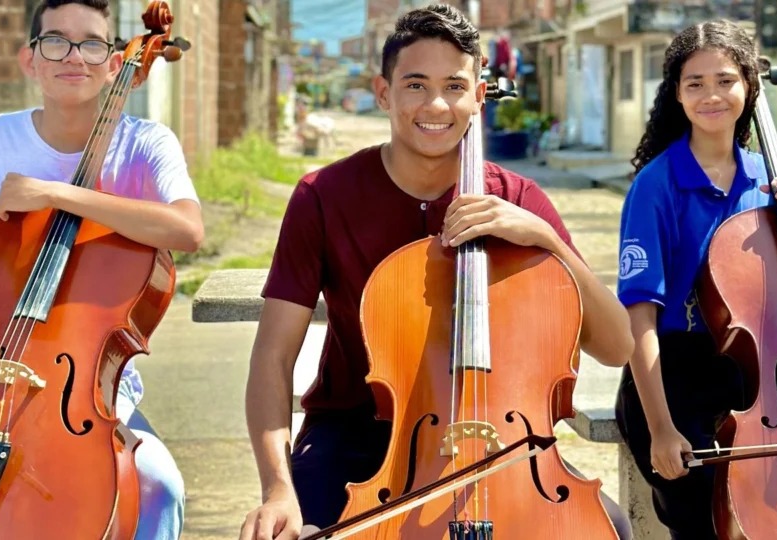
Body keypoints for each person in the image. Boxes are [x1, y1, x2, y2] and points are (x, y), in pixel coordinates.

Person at [239, 5, 636, 540]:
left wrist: (544, 240)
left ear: (478, 96)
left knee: (607, 530)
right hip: (358, 435)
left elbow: (615, 347)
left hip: (500, 442)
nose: (436, 104)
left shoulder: (517, 199)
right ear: (383, 93)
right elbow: (274, 354)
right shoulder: (323, 197)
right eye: (415, 85)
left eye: (454, 86)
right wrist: (276, 489)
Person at [0, 1, 199, 538]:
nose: (73, 56)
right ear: (30, 60)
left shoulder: (145, 144)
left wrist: (57, 194)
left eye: (92, 43)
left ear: (114, 62)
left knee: (158, 489)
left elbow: (186, 230)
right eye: (55, 41)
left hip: (82, 388)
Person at [613, 19, 777, 539]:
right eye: (696, 83)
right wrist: (663, 430)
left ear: (749, 87)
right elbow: (640, 316)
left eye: (726, 80)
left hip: (756, 378)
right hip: (673, 381)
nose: (712, 95)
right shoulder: (656, 186)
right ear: (678, 94)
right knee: (704, 528)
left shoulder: (770, 179)